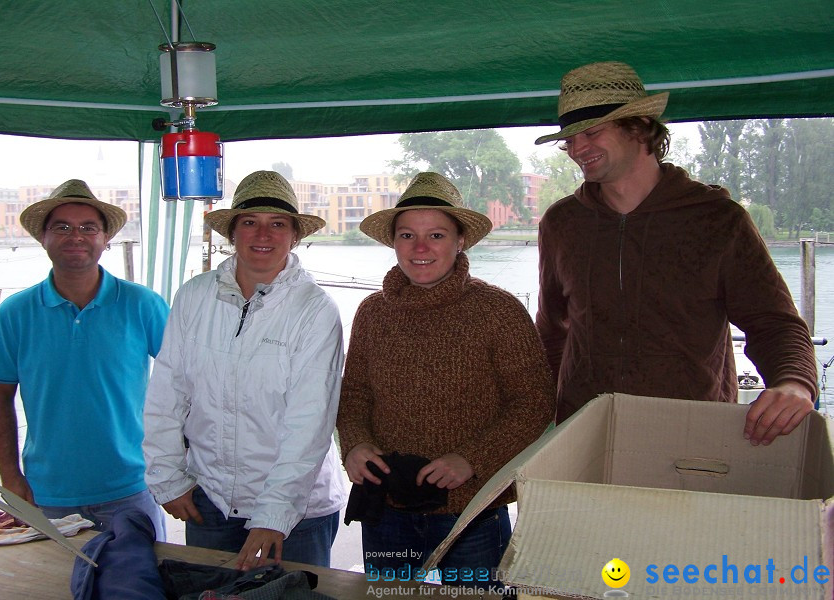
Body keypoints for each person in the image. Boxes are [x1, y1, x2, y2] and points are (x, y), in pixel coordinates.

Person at [533, 61, 818, 445]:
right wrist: (542, 413)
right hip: (585, 433)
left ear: (638, 126)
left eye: (592, 132)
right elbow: (552, 329)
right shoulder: (561, 223)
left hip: (691, 433)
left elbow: (774, 322)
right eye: (569, 139)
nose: (577, 149)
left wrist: (794, 383)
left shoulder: (717, 219)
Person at [337, 172, 556, 587]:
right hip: (387, 505)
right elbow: (355, 395)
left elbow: (534, 403)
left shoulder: (499, 311)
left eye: (435, 235)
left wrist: (472, 459)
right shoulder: (372, 312)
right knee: (388, 597)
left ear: (460, 241)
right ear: (394, 242)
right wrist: (355, 443)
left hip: (472, 511)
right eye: (407, 235)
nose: (420, 248)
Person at [142, 170, 347, 569]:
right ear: (232, 233)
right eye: (250, 222)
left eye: (278, 224)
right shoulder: (194, 296)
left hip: (299, 513)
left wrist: (274, 515)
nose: (263, 235)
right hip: (210, 501)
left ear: (295, 236)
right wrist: (166, 478)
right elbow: (168, 392)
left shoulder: (315, 310)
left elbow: (310, 422)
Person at [0, 179, 170, 537]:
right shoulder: (15, 312)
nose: (75, 236)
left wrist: (174, 463)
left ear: (105, 239)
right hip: (46, 494)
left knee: (140, 587)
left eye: (88, 228)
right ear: (43, 238)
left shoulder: (142, 304)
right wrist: (10, 478)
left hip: (132, 487)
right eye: (62, 227)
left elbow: (185, 380)